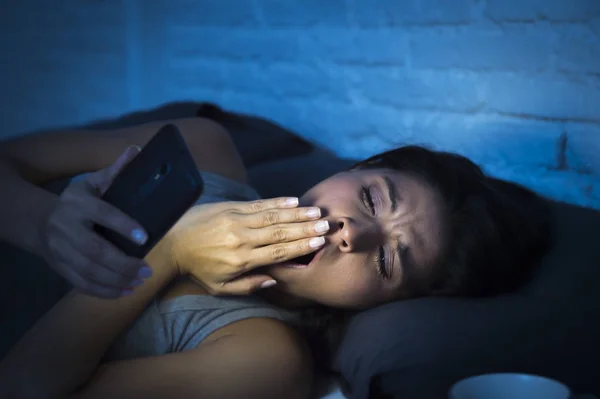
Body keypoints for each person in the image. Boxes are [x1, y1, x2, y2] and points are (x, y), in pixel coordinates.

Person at [0, 116, 553, 398]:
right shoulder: (204, 146)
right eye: (369, 198)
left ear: (378, 307)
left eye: (387, 262)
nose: (351, 233)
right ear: (351, 168)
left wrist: (173, 251)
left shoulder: (261, 359)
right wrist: (41, 223)